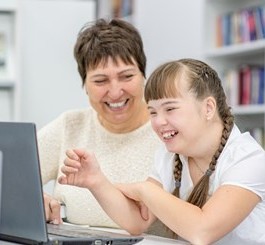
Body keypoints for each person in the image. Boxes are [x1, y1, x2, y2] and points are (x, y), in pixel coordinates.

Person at [59, 58, 265, 245]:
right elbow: (138, 221)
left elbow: (203, 231)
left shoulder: (248, 159)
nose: (158, 122)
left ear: (208, 108)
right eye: (153, 112)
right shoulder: (170, 156)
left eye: (170, 109)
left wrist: (145, 191)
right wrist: (96, 181)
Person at [38, 18, 165, 235]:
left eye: (126, 76)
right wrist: (32, 199)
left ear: (144, 75)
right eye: (100, 81)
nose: (115, 92)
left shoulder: (168, 130)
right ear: (84, 85)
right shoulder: (69, 126)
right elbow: (9, 179)